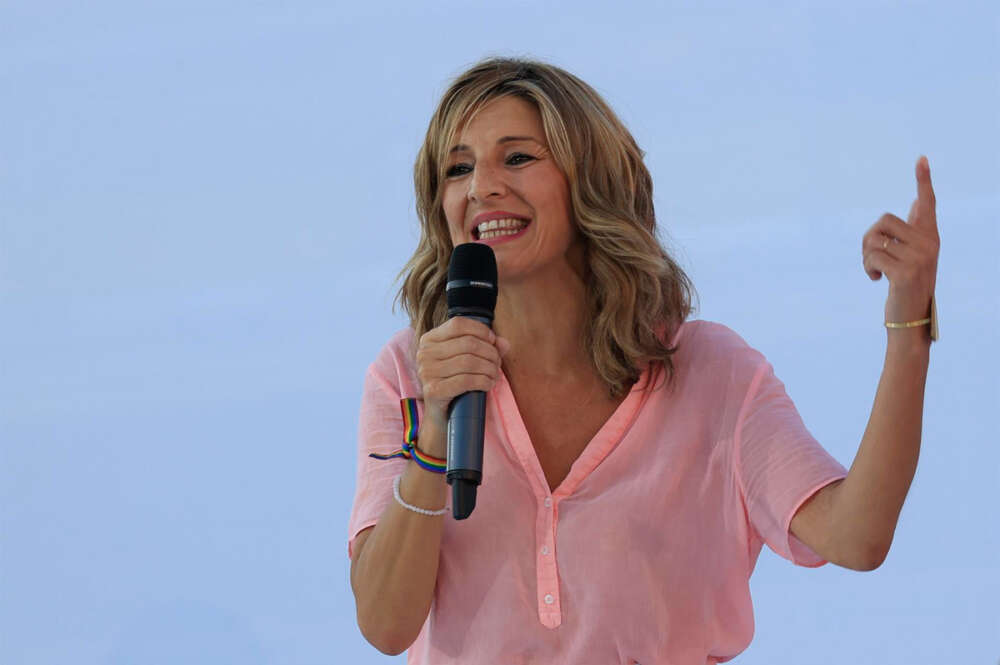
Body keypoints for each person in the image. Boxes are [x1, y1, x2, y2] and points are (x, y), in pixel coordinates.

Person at [347, 57, 939, 664]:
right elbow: (386, 625)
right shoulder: (407, 375)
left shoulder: (712, 371)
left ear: (590, 180)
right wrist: (436, 435)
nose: (482, 187)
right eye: (458, 168)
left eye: (518, 157)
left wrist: (909, 324)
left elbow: (858, 535)